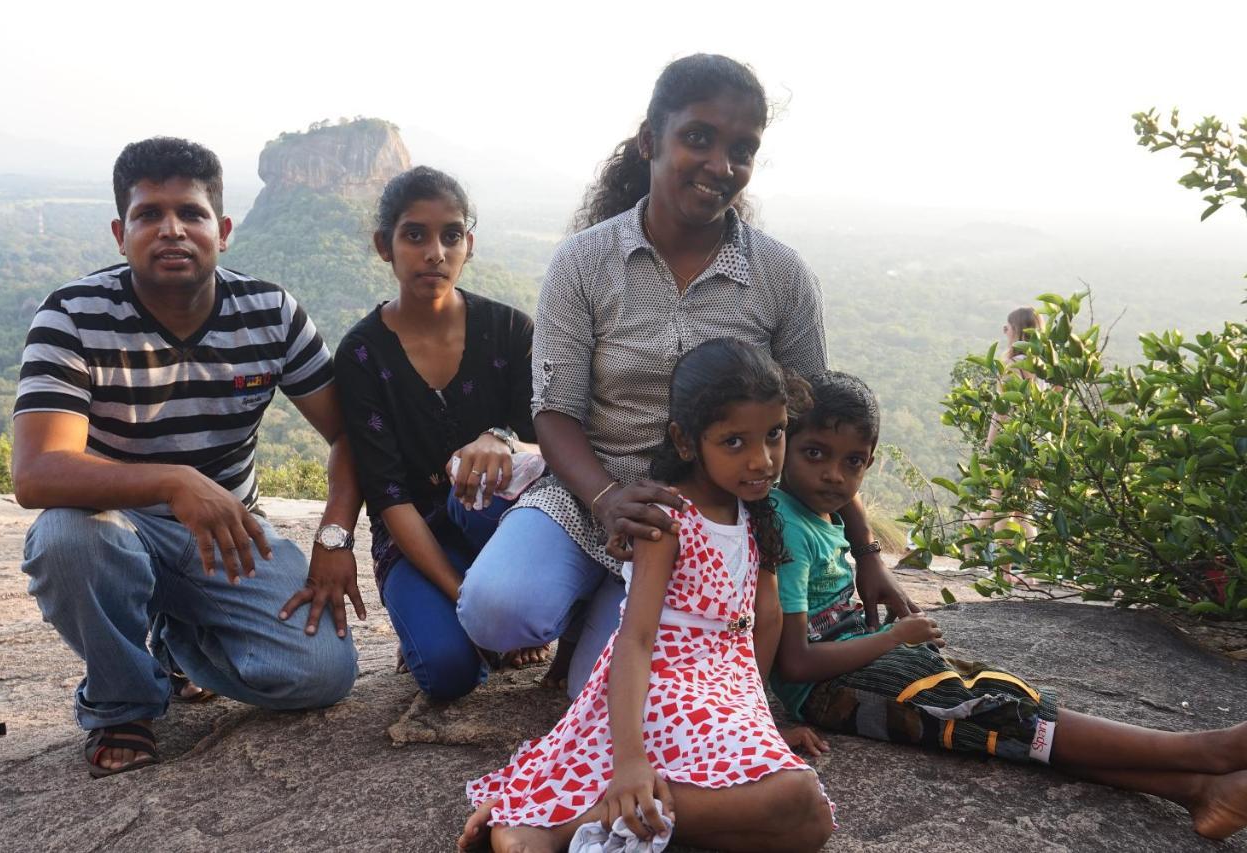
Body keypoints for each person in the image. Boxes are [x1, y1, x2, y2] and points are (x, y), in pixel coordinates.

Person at [457, 52, 918, 699]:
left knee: (624, 694)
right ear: (651, 139)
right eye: (698, 138)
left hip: (703, 521)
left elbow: (814, 428)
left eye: (743, 148)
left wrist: (866, 552)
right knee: (497, 609)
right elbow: (555, 411)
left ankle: (596, 617)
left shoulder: (780, 279)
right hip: (586, 491)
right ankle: (572, 585)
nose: (721, 165)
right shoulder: (584, 263)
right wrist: (606, 499)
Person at [12, 137, 363, 778]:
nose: (172, 229)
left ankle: (178, 639)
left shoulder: (271, 311)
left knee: (321, 674)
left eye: (191, 214)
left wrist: (335, 537)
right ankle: (123, 703)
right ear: (122, 234)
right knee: (66, 537)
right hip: (115, 524)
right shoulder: (72, 315)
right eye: (149, 215)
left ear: (223, 230)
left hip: (226, 534)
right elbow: (36, 473)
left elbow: (348, 435)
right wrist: (175, 481)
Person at [769, 371, 1247, 842]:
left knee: (1004, 713)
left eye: (853, 462)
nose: (833, 474)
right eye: (815, 454)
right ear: (783, 445)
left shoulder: (812, 510)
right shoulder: (788, 531)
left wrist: (875, 582)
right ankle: (1204, 751)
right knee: (997, 710)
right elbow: (794, 664)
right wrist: (893, 638)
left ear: (869, 464)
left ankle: (1199, 791)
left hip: (862, 661)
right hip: (830, 692)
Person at [460, 339, 833, 853]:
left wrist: (758, 728)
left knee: (812, 825)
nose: (762, 460)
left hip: (723, 694)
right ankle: (567, 824)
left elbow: (758, 630)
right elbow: (634, 640)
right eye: (734, 442)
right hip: (667, 691)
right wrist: (631, 760)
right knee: (797, 795)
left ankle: (628, 824)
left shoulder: (760, 515)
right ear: (686, 441)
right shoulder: (666, 520)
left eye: (774, 435)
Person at [334, 166, 545, 701]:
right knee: (447, 673)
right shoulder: (362, 355)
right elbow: (388, 497)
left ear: (468, 244)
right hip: (415, 544)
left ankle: (510, 606)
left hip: (495, 523)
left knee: (484, 486)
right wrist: (465, 601)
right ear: (385, 245)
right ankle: (452, 622)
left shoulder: (510, 331)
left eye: (451, 235)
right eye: (415, 235)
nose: (435, 252)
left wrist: (502, 438)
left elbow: (553, 447)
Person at [977, 306, 1045, 582]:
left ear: (1017, 331)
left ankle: (1001, 570)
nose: (1004, 332)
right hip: (1036, 446)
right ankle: (1034, 567)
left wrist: (989, 446)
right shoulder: (1040, 367)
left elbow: (1000, 413)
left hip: (1011, 445)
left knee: (1001, 504)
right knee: (1022, 510)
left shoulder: (1013, 366)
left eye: (1006, 327)